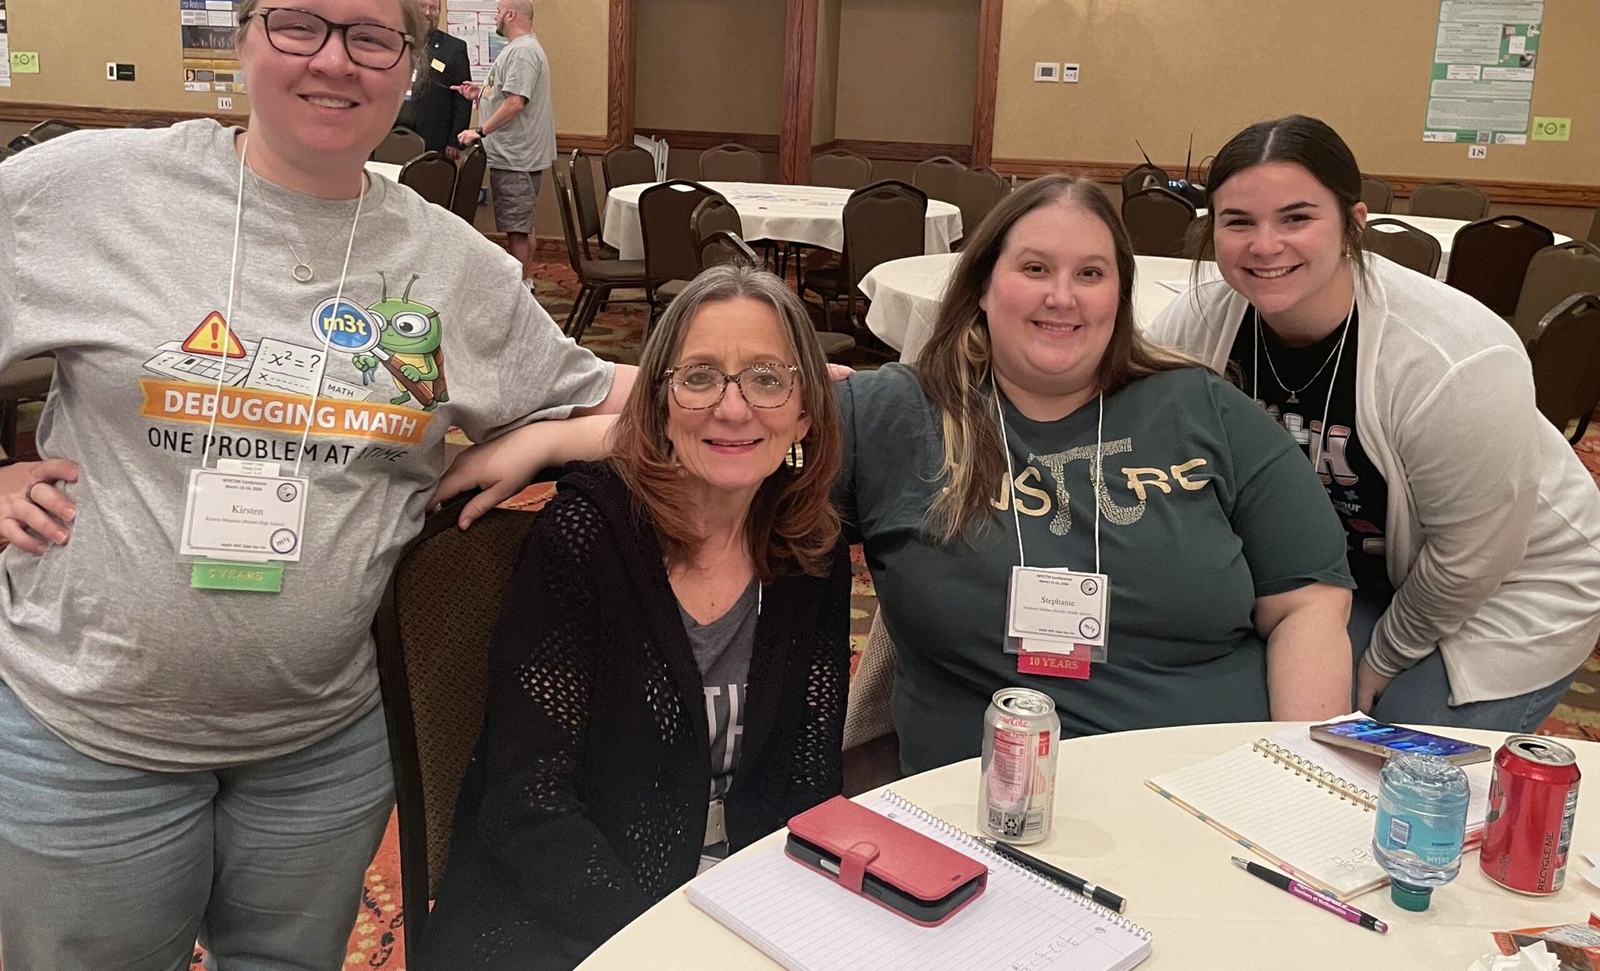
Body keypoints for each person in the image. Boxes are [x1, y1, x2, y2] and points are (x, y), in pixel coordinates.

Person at [0, 0, 634, 971]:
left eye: (371, 39)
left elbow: (608, 390)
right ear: (243, 40)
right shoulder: (88, 190)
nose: (333, 60)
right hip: (89, 735)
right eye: (297, 26)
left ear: (408, 66)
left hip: (324, 746)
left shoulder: (450, 263)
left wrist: (777, 385)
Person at [837, 175, 1356, 774]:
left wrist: (1300, 781)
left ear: (1119, 296)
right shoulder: (894, 415)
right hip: (983, 795)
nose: (1063, 297)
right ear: (982, 284)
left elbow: (1308, 604)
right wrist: (776, 394)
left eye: (1090, 274)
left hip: (1207, 784)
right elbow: (759, 525)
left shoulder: (1205, 409)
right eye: (1035, 268)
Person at [419, 265, 850, 971]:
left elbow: (808, 776)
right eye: (700, 377)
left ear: (804, 413)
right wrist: (661, 950)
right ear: (658, 403)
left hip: (741, 897)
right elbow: (530, 805)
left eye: (768, 379)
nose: (733, 409)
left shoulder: (810, 551)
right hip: (574, 912)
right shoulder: (586, 538)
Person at [1150, 115, 1600, 731]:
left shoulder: (1449, 358)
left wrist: (1381, 661)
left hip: (1508, 586)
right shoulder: (1198, 324)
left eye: (1296, 218)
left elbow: (1470, 559)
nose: (1265, 245)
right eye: (1239, 222)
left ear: (1353, 224)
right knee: (1248, 719)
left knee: (1392, 757)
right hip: (1344, 573)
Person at [454, 0, 555, 290]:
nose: (494, 17)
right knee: (522, 223)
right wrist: (482, 93)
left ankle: (521, 290)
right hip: (515, 154)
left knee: (517, 228)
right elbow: (507, 95)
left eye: (498, 11)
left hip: (515, 156)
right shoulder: (519, 49)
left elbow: (515, 102)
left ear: (510, 15)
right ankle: (525, 284)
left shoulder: (522, 52)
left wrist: (479, 131)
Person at [406, 0, 472, 156]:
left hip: (435, 138)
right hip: (395, 133)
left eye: (434, 8)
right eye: (422, 6)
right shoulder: (396, 40)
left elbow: (462, 97)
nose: (428, 13)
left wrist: (454, 140)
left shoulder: (454, 48)